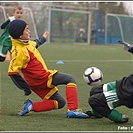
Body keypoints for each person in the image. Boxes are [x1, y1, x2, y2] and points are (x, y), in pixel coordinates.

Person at [7, 19, 89, 118]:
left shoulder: (25, 43)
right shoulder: (18, 51)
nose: (29, 31)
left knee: (60, 102)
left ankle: (31, 106)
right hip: (43, 78)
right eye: (27, 29)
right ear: (20, 35)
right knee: (70, 79)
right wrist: (25, 88)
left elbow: (36, 43)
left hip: (36, 84)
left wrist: (44, 38)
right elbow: (12, 72)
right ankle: (73, 110)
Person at [84, 42, 133, 123]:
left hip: (127, 93)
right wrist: (130, 48)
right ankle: (97, 113)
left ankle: (119, 118)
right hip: (125, 83)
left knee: (94, 101)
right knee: (94, 90)